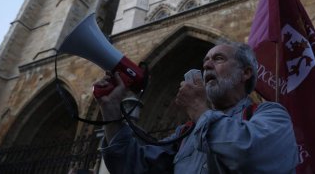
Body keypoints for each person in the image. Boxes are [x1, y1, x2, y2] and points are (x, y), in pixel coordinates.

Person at [95, 42, 299, 173]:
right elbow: (130, 166)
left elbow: (250, 155)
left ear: (246, 73)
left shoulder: (271, 114)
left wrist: (197, 107)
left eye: (218, 59)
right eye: (206, 61)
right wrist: (111, 109)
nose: (207, 65)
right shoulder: (185, 134)